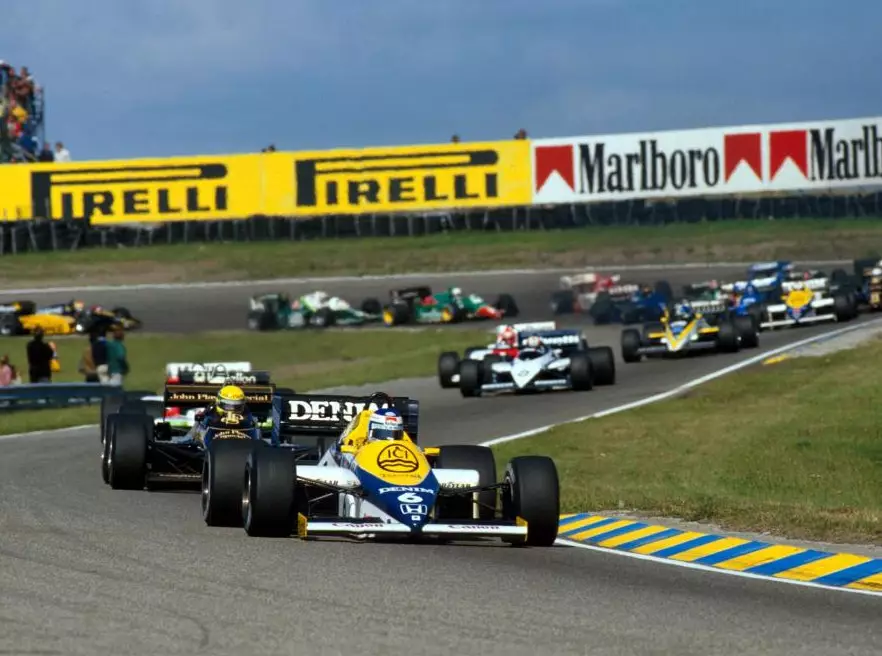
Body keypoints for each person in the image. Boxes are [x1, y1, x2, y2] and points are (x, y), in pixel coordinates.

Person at [173, 385, 259, 444]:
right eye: (229, 406)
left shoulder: (248, 416)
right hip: (212, 444)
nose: (232, 409)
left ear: (243, 404)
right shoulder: (210, 415)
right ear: (219, 402)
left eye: (236, 406)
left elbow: (255, 430)